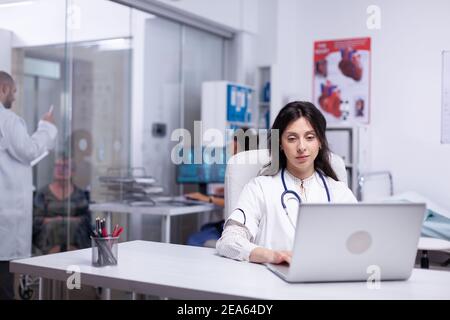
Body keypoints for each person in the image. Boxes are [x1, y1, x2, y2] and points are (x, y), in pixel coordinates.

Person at [216, 101, 357, 264]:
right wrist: (273, 256)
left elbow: (362, 242)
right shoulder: (260, 188)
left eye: (310, 137)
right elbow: (228, 241)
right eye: (291, 138)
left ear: (320, 142)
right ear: (280, 144)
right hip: (269, 283)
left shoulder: (339, 192)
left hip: (326, 281)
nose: (301, 147)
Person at [0, 71, 57, 299]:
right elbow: (29, 151)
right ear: (3, 88)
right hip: (5, 217)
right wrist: (46, 127)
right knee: (3, 286)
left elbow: (17, 158)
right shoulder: (7, 120)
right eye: (13, 92)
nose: (14, 98)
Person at [185, 127, 257, 247]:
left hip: (237, 228)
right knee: (206, 227)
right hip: (234, 224)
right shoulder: (249, 166)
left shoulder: (243, 168)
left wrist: (207, 198)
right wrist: (226, 190)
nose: (230, 146)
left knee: (194, 239)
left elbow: (235, 203)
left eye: (233, 142)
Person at [33, 155, 91, 255]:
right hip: (47, 248)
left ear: (73, 171)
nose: (60, 170)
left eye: (65, 167)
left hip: (75, 249)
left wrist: (68, 221)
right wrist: (55, 221)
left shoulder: (80, 194)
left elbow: (87, 219)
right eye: (57, 166)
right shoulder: (42, 194)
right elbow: (36, 219)